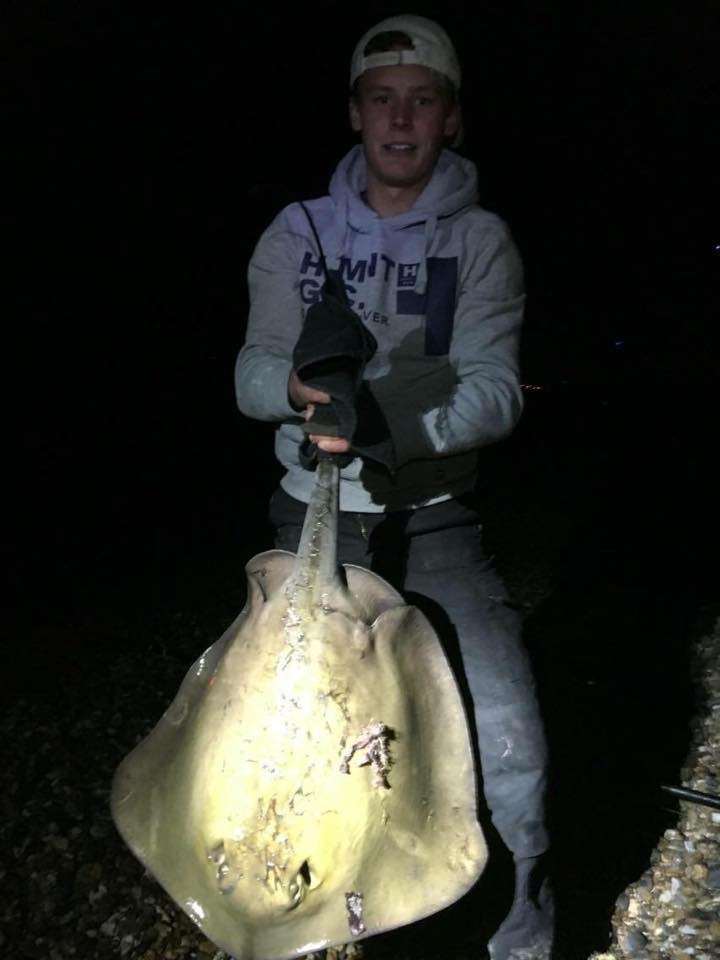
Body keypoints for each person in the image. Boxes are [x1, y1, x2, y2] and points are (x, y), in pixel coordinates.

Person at [235, 14, 553, 960]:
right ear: (355, 114)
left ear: (451, 119)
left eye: (423, 101)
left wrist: (388, 427)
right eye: (383, 100)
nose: (401, 119)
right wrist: (291, 390)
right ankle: (302, 926)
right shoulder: (298, 232)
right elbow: (249, 370)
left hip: (439, 521)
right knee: (283, 760)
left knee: (510, 756)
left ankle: (516, 940)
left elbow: (497, 393)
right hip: (314, 524)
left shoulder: (484, 241)